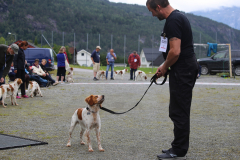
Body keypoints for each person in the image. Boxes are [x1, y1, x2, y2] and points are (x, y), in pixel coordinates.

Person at [146, 0, 198, 159]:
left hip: (183, 69)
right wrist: (165, 66)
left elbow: (175, 52)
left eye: (152, 11)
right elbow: (173, 52)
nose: (153, 15)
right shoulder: (177, 17)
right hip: (182, 68)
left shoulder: (173, 21)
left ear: (159, 7)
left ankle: (178, 150)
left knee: (179, 110)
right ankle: (177, 146)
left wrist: (164, 66)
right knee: (177, 109)